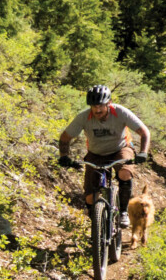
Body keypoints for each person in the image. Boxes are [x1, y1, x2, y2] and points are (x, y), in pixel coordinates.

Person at [58, 85, 150, 227]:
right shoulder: (83, 117)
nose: (97, 110)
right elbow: (65, 137)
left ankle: (123, 212)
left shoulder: (120, 112)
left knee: (125, 173)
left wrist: (143, 152)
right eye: (93, 106)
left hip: (120, 149)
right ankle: (96, 227)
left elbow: (144, 132)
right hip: (96, 153)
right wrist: (64, 156)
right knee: (90, 198)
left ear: (109, 103)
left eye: (101, 105)